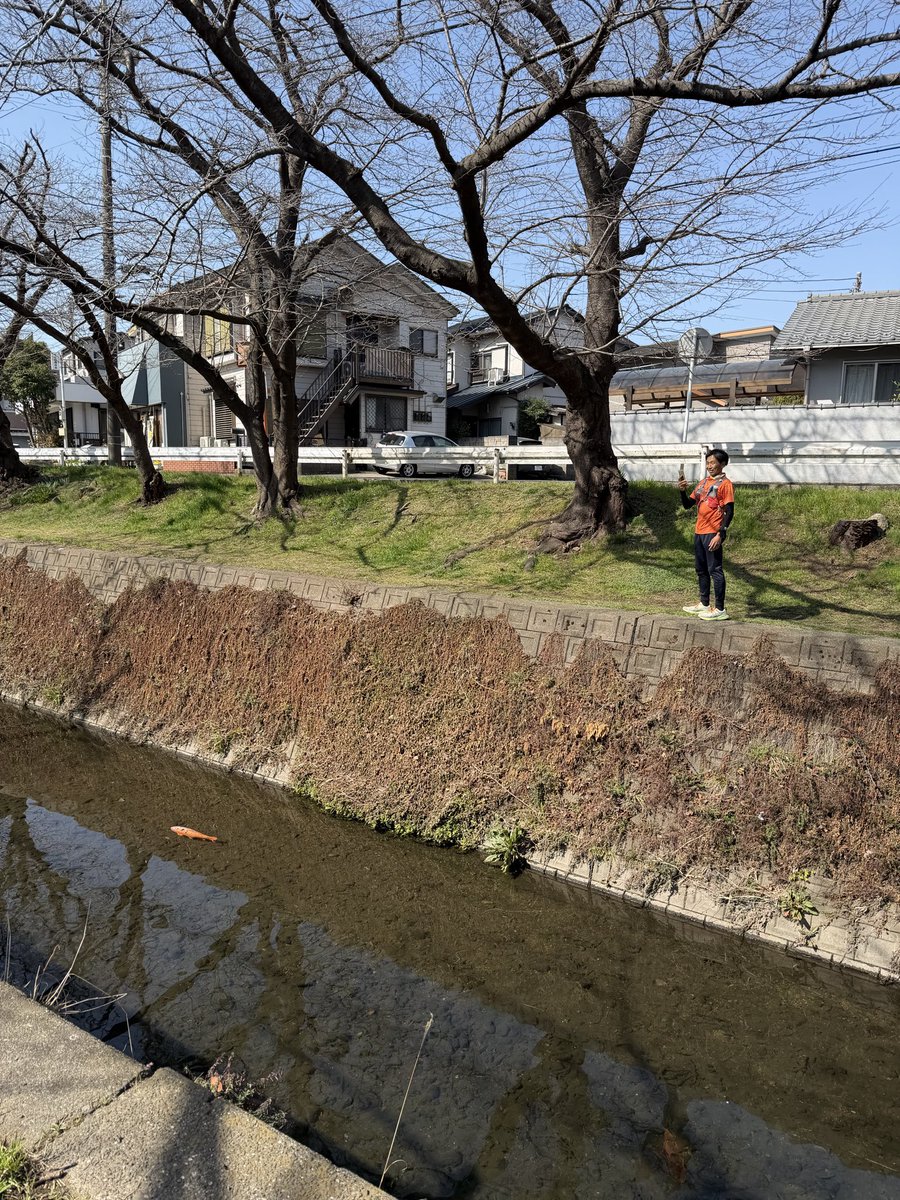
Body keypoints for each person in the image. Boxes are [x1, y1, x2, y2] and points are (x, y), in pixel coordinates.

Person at [679, 448, 734, 621]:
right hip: (699, 532)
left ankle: (720, 609)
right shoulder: (703, 483)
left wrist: (721, 534)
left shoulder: (725, 484)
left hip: (713, 532)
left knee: (715, 570)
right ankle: (704, 603)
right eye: (708, 463)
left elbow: (730, 511)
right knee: (701, 569)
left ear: (722, 464)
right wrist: (681, 490)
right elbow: (688, 504)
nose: (709, 466)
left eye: (713, 463)